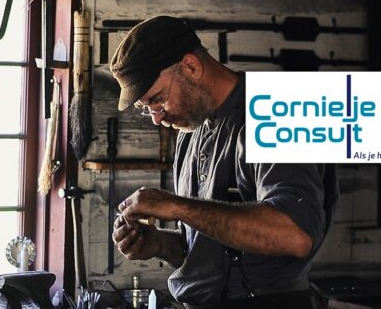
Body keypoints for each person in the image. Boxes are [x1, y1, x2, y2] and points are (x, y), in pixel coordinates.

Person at [108, 16, 338, 309]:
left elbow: (295, 234)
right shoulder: (191, 133)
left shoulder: (275, 114)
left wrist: (177, 206)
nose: (157, 117)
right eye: (146, 109)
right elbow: (216, 253)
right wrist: (160, 244)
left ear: (190, 66)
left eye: (158, 99)